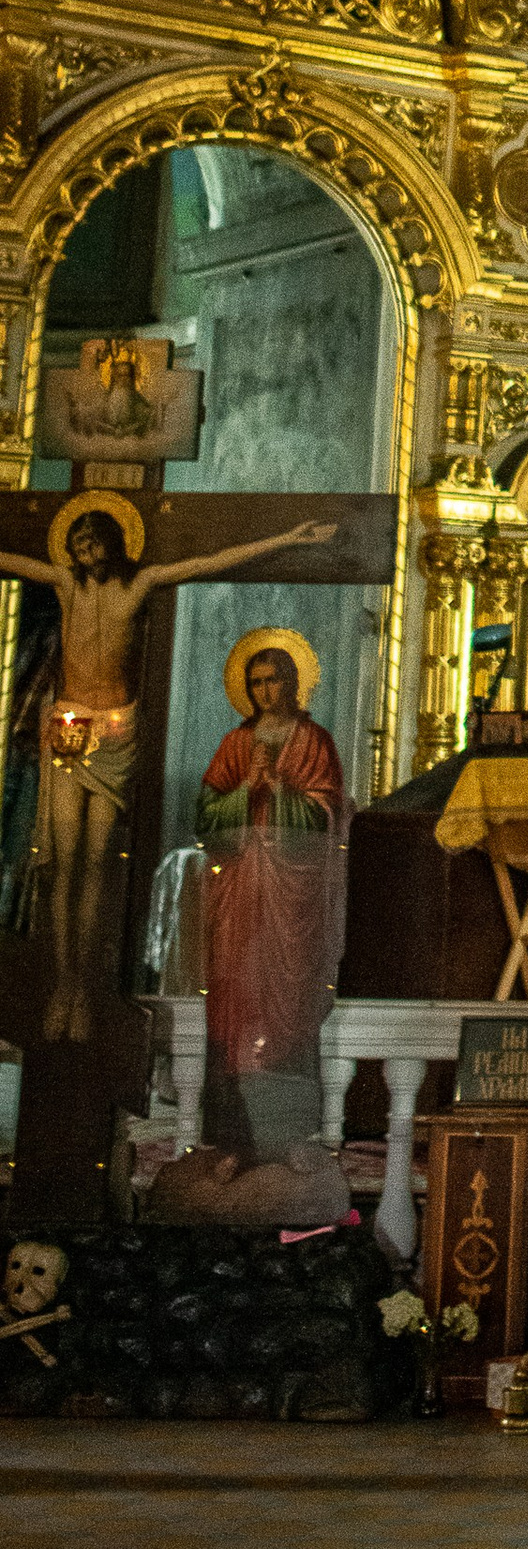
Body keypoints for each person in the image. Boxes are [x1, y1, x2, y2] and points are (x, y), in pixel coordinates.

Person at [0, 495, 338, 1044]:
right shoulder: (64, 585)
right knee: (63, 863)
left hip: (115, 729)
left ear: (113, 540)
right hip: (68, 728)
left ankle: (83, 986)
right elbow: (9, 560)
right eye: (79, 544)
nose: (86, 552)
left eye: (95, 541)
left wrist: (287, 539)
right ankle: (62, 983)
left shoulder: (139, 585)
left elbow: (211, 561)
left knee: (95, 859)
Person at [196, 636, 347, 1158]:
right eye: (255, 682)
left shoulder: (315, 741)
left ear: (293, 682)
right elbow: (205, 818)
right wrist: (244, 792)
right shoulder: (235, 744)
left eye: (273, 679)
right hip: (238, 889)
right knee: (237, 994)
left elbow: (328, 816)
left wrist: (278, 791)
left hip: (292, 895)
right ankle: (234, 1136)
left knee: (288, 996)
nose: (264, 691)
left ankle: (288, 1134)